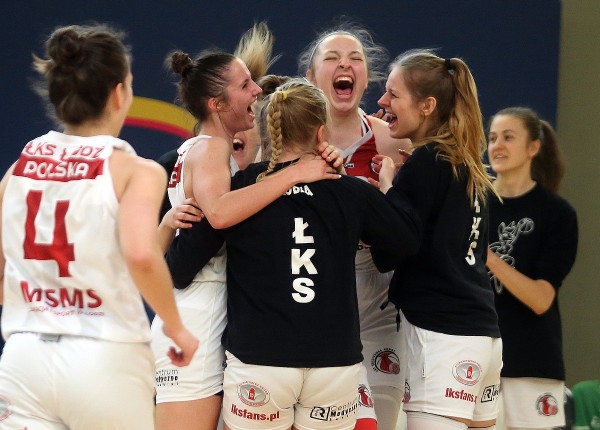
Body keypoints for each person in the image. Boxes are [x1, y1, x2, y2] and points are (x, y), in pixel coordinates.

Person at [166, 78, 422, 430]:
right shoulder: (349, 191)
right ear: (321, 133)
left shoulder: (239, 191)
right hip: (334, 363)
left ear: (267, 133)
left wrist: (169, 223)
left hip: (259, 362)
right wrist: (388, 186)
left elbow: (179, 268)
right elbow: (406, 242)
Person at [0, 24, 198, 429]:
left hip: (24, 358)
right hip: (105, 355)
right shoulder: (135, 170)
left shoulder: (19, 167)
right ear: (119, 93)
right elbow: (141, 254)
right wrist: (176, 328)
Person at [150, 26, 343, 430]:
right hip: (199, 315)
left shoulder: (200, 149)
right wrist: (295, 174)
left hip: (201, 311)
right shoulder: (213, 147)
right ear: (217, 104)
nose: (256, 90)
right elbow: (220, 214)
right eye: (244, 86)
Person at [371, 50, 502, 430]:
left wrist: (387, 188)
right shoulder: (466, 163)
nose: (383, 101)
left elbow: (393, 246)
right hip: (485, 336)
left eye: (393, 94)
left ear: (426, 106)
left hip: (444, 338)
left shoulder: (427, 162)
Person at [298, 21, 412, 430]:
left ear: (366, 78)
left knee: (379, 420)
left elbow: (413, 226)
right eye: (332, 58)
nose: (344, 64)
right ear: (311, 77)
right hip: (315, 300)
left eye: (355, 59)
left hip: (378, 302)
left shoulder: (392, 141)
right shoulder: (291, 143)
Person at [486, 107, 578, 430]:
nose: (497, 145)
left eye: (508, 137)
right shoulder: (472, 202)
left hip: (531, 363)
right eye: (492, 138)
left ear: (533, 147)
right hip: (473, 359)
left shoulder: (557, 213)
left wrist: (490, 258)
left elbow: (541, 299)